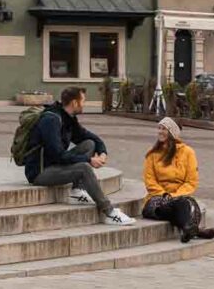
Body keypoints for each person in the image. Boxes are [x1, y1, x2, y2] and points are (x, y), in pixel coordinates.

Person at [24, 86, 135, 226]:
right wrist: (89, 160)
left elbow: (89, 137)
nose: (85, 104)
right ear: (74, 103)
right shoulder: (51, 120)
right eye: (83, 101)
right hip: (40, 172)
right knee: (83, 168)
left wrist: (102, 152)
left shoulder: (68, 117)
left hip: (54, 164)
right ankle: (109, 212)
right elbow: (59, 156)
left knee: (89, 144)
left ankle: (76, 191)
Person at [142, 116, 214, 243]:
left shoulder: (188, 153)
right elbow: (150, 180)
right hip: (157, 198)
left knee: (187, 203)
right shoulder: (152, 154)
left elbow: (191, 182)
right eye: (159, 128)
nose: (160, 132)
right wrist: (165, 195)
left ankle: (189, 229)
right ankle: (194, 230)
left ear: (173, 133)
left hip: (179, 195)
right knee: (176, 205)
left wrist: (175, 196)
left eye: (164, 129)